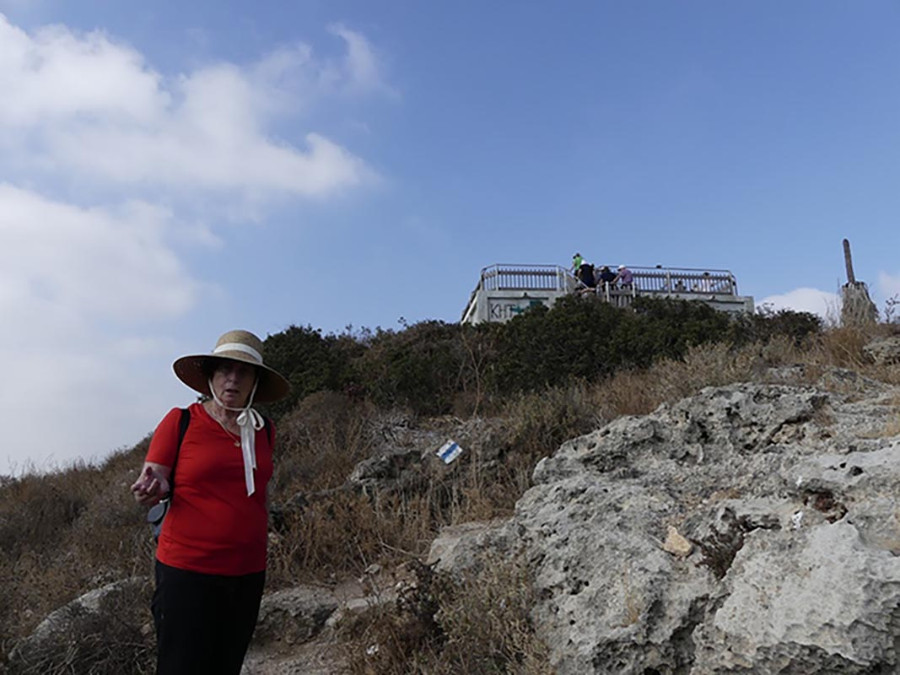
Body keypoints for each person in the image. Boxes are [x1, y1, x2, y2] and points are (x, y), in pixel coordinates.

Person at [131, 329, 290, 675]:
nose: (232, 379)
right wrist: (152, 487)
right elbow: (154, 474)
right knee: (181, 666)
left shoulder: (264, 431)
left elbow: (257, 492)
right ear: (210, 376)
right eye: (224, 370)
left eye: (243, 372)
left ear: (254, 382)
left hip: (247, 573)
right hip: (187, 572)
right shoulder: (182, 421)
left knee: (226, 664)